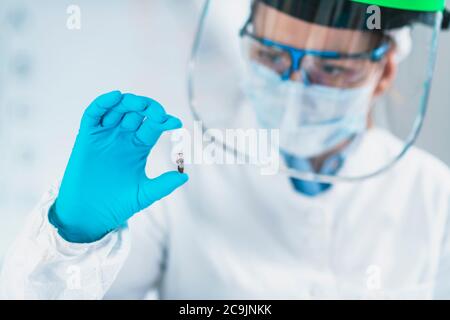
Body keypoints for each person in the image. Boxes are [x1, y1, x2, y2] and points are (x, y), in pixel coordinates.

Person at [1, 0, 450, 299]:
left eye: (331, 69)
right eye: (271, 57)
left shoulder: (432, 194)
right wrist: (74, 237)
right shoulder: (175, 168)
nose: (294, 86)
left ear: (386, 68)